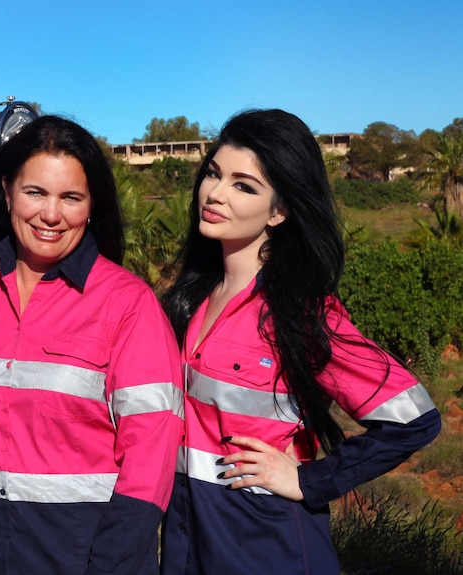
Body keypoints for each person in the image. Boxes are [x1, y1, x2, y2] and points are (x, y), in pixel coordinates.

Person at [159, 109, 442, 574]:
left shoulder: (299, 313)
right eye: (213, 174)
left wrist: (309, 480)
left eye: (243, 185)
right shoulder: (189, 301)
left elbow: (414, 420)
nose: (215, 193)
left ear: (279, 211)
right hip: (189, 537)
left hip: (266, 545)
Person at [0, 115, 183, 575]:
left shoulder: (127, 303)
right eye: (35, 192)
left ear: (91, 205)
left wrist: (109, 563)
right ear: (7, 190)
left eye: (70, 197)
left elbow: (151, 453)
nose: (51, 215)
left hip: (80, 552)